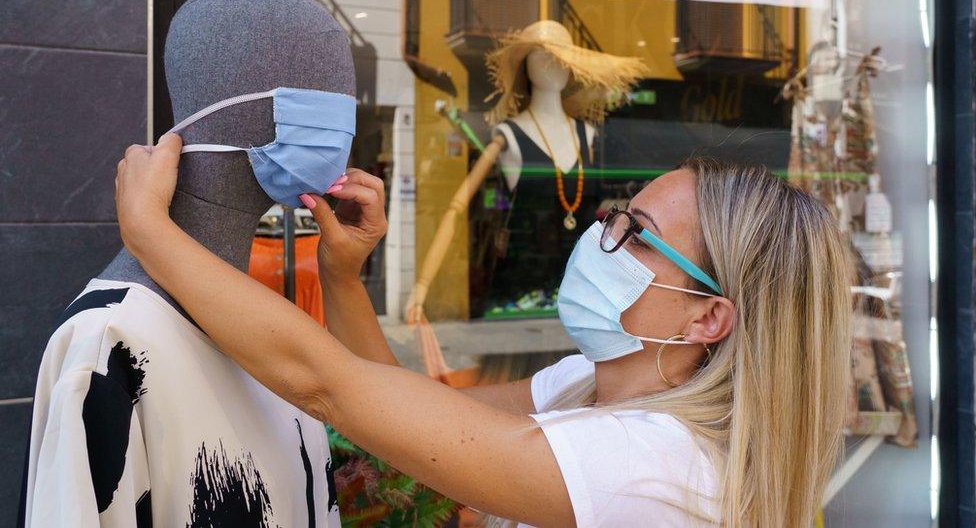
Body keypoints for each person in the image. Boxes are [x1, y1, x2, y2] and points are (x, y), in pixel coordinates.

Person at [114, 134, 853, 527]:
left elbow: (328, 386)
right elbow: (411, 414)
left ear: (708, 316)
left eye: (636, 231)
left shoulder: (655, 465)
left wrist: (151, 233)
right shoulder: (587, 385)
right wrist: (344, 275)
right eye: (617, 211)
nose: (603, 226)